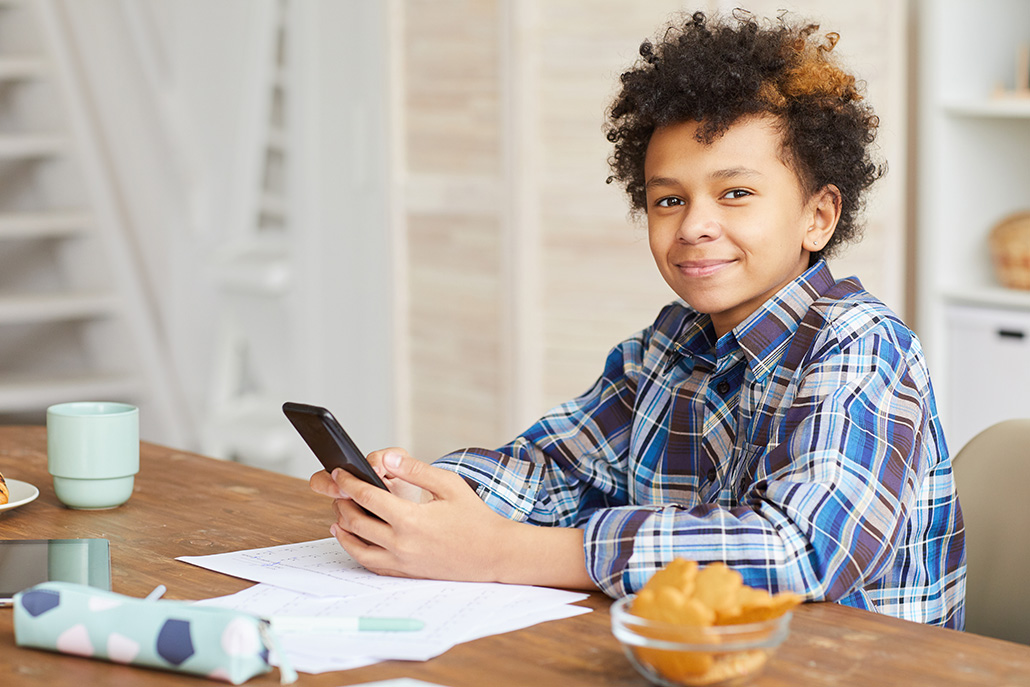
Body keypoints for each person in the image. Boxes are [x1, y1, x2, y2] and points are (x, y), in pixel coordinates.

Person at [310, 10, 965, 628]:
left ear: (817, 217)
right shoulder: (667, 347)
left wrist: (504, 551)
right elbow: (551, 471)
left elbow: (796, 550)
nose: (695, 226)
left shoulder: (861, 346)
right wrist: (419, 498)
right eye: (668, 199)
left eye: (735, 193)